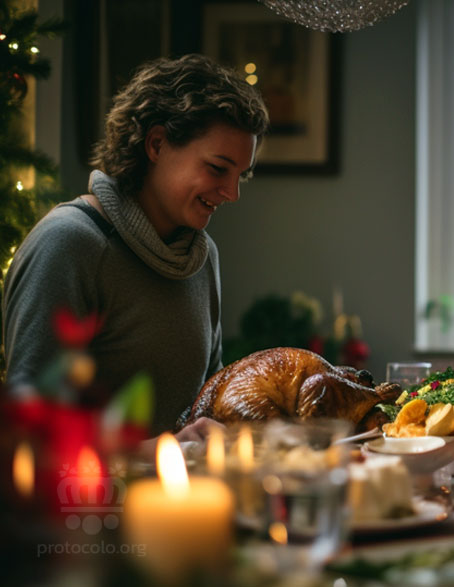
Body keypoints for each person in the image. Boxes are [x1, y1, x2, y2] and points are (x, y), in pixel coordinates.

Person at [2, 54, 269, 440]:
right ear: (156, 144)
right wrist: (158, 455)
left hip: (183, 498)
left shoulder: (201, 255)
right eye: (217, 168)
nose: (232, 193)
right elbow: (28, 433)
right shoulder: (69, 244)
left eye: (240, 175)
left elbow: (206, 406)